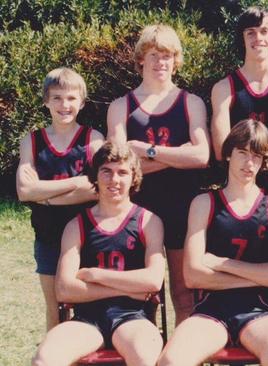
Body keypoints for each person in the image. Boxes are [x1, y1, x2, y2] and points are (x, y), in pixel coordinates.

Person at [158, 119, 268, 366]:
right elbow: (193, 276)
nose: (249, 162)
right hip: (211, 310)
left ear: (264, 161)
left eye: (256, 156)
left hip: (260, 310)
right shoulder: (204, 204)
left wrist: (222, 263)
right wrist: (260, 276)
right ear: (229, 154)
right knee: (171, 360)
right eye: (242, 153)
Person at [107, 24, 210, 324]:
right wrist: (179, 155)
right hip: (137, 210)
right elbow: (119, 163)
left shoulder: (191, 102)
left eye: (166, 55)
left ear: (175, 60)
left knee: (184, 293)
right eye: (153, 54)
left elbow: (202, 156)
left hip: (182, 208)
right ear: (141, 59)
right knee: (141, 296)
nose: (159, 62)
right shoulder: (120, 107)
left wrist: (148, 151)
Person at [32, 142, 165, 366]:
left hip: (132, 317)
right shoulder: (77, 225)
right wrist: (131, 288)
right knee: (44, 359)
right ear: (95, 176)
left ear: (134, 177)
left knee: (144, 357)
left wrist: (95, 275)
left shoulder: (148, 221)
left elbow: (152, 281)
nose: (114, 180)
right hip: (87, 319)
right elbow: (64, 290)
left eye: (122, 172)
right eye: (106, 171)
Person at [16, 67, 104, 330]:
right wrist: (75, 182)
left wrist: (45, 194)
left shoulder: (93, 140)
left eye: (71, 98)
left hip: (87, 237)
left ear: (82, 102)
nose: (64, 105)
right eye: (56, 98)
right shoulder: (31, 142)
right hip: (48, 236)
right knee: (55, 308)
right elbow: (24, 191)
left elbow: (94, 188)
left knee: (88, 308)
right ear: (46, 101)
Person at [211, 6, 268, 218]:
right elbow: (221, 149)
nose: (258, 38)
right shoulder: (224, 88)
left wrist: (241, 146)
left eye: (264, 31)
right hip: (239, 189)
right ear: (242, 39)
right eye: (250, 32)